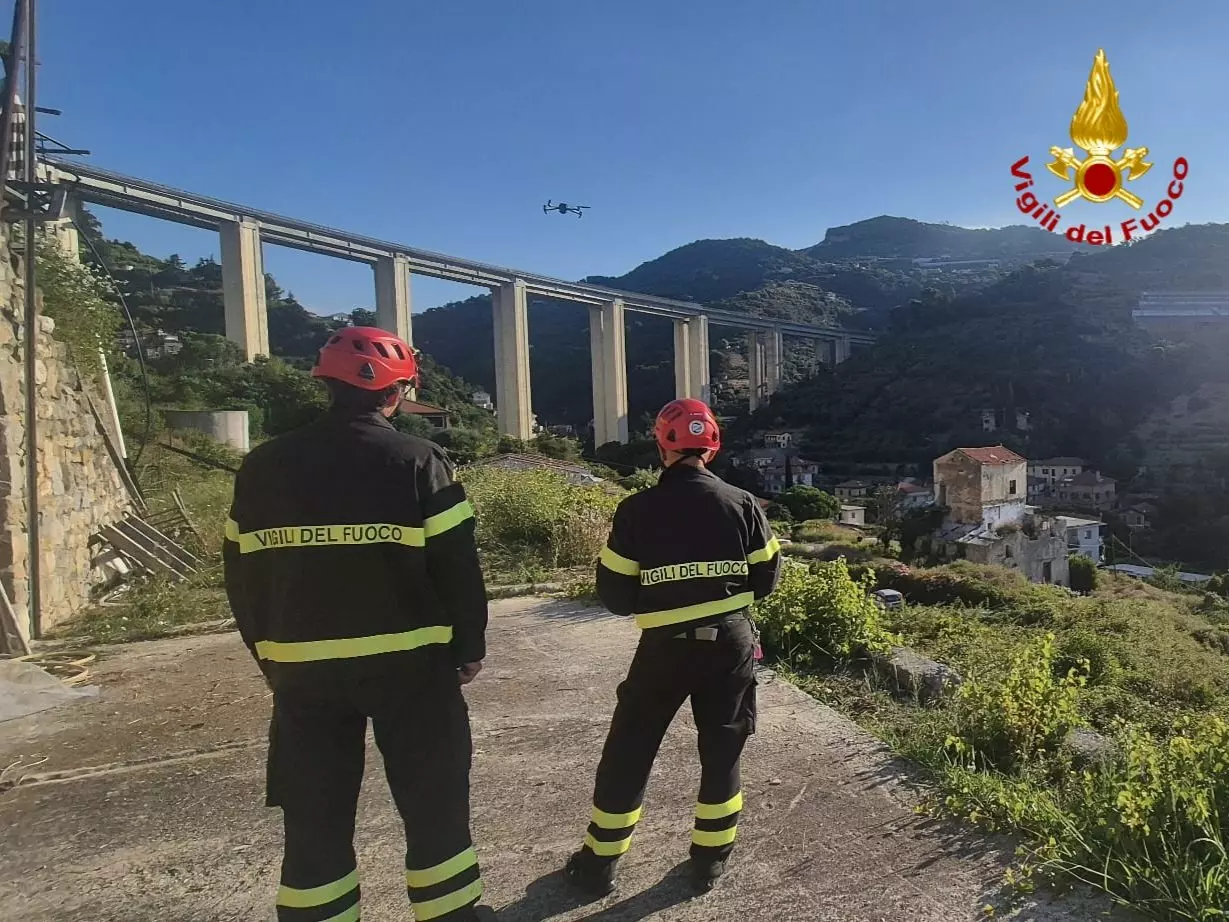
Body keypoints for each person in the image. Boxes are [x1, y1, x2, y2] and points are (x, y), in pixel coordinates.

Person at [222, 326, 490, 922]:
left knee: (313, 817)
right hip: (412, 669)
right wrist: (469, 646)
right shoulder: (418, 460)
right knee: (434, 805)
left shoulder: (261, 467)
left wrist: (268, 653)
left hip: (303, 675)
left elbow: (241, 577)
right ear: (397, 392)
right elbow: (457, 566)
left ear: (326, 385)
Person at [565, 397, 782, 897]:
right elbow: (766, 579)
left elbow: (615, 596)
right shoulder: (743, 503)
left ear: (663, 445)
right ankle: (709, 861)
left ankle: (600, 864)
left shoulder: (636, 510)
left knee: (630, 748)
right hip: (729, 643)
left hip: (663, 648)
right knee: (722, 750)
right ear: (713, 447)